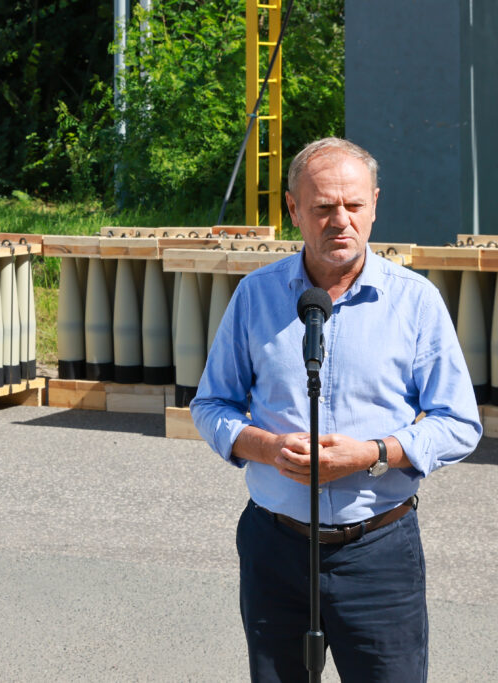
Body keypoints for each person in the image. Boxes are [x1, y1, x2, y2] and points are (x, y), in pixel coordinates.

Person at [191, 137, 481, 682]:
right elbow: (211, 403)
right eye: (323, 207)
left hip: (378, 555)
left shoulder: (415, 302)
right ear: (294, 209)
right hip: (274, 550)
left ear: (375, 204)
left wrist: (375, 453)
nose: (339, 221)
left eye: (353, 206)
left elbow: (459, 423)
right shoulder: (256, 296)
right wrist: (267, 447)